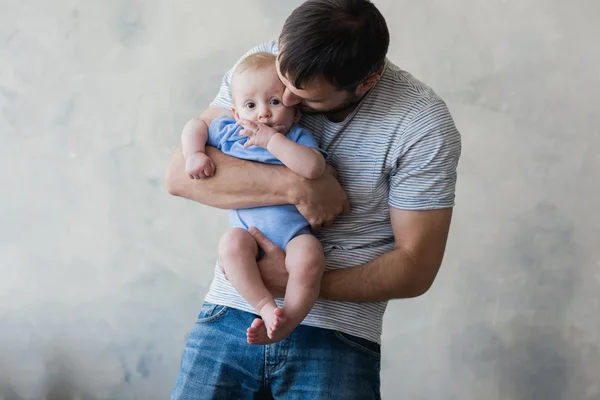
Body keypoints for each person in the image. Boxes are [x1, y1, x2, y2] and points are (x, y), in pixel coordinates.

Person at [167, 0, 461, 398]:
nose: (283, 101)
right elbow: (181, 177)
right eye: (282, 80)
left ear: (367, 82)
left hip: (337, 337)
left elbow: (416, 269)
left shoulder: (421, 123)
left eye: (306, 98)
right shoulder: (260, 65)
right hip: (228, 312)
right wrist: (300, 187)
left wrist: (296, 282)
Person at [180, 52, 327, 343]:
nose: (263, 114)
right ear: (235, 113)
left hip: (294, 234)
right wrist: (194, 154)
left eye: (274, 102)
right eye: (250, 105)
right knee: (230, 244)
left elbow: (313, 167)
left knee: (310, 257)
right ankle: (265, 306)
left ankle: (290, 319)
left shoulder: (295, 137)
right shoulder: (230, 132)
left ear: (295, 111)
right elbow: (195, 125)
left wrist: (273, 141)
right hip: (248, 235)